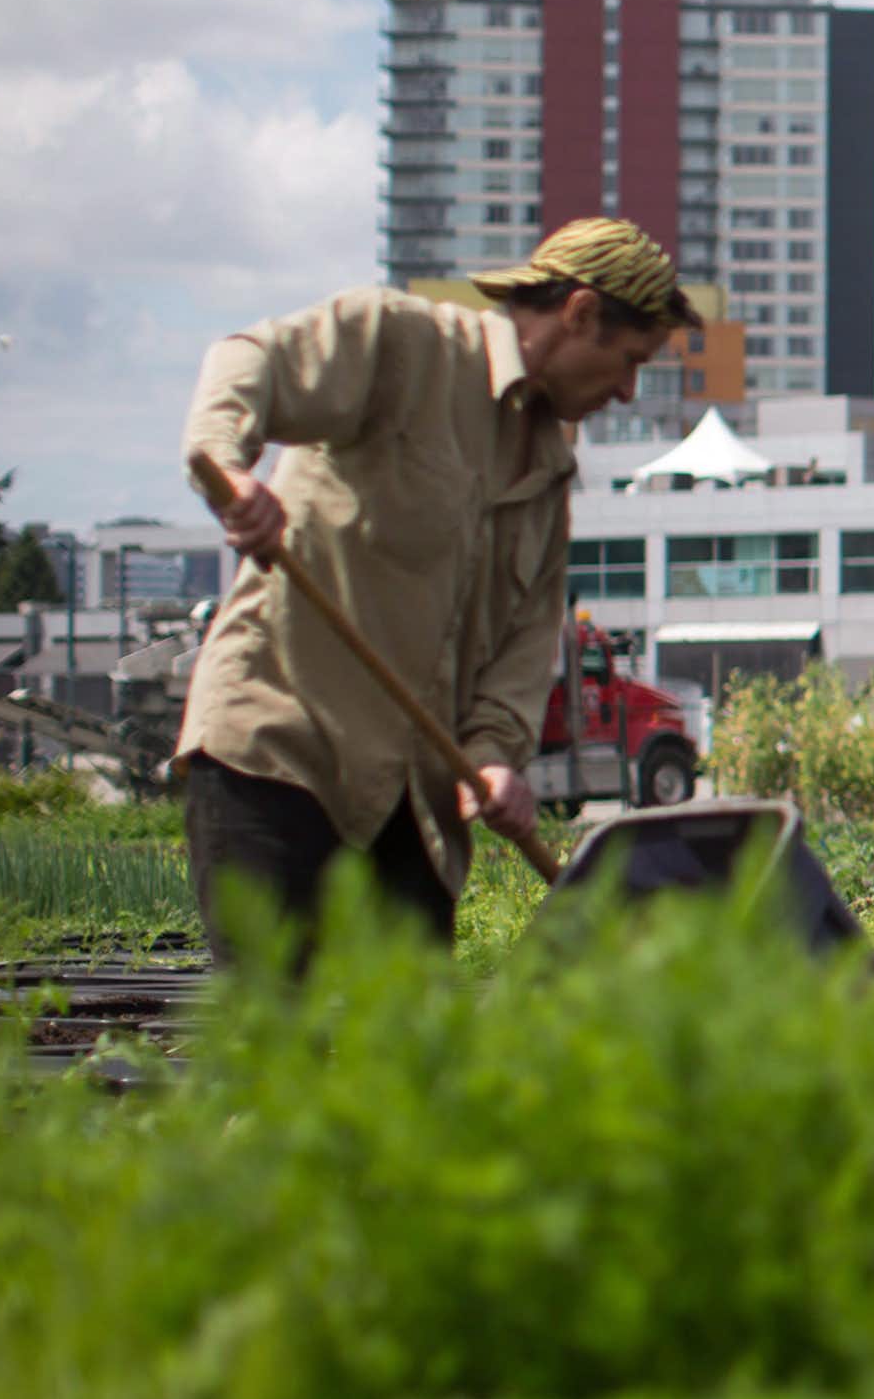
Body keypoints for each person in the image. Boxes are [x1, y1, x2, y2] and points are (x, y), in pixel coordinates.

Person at [176, 219, 698, 960]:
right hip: (279, 752)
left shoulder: (550, 472)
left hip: (414, 797)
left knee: (408, 1049)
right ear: (580, 313)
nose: (625, 389)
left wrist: (492, 756)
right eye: (627, 360)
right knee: (280, 1040)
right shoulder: (401, 343)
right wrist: (231, 476)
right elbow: (247, 360)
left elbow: (523, 648)